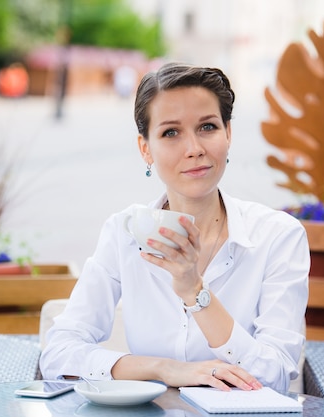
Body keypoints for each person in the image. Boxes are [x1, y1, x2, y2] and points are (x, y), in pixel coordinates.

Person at [40, 62, 309, 393]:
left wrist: (195, 292)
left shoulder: (278, 236)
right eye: (171, 132)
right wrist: (166, 370)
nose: (194, 148)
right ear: (145, 149)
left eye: (208, 127)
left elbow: (275, 375)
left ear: (229, 133)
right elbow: (58, 354)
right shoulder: (123, 233)